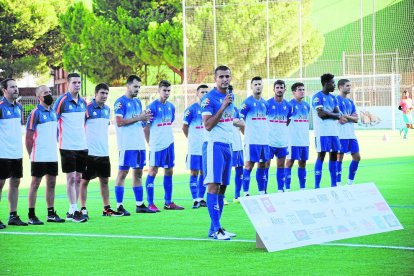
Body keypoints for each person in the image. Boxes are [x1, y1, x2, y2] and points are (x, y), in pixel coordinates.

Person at [201, 65, 236, 240]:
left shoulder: (231, 96)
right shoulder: (209, 99)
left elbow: (231, 120)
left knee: (222, 188)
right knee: (213, 186)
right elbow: (207, 125)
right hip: (214, 145)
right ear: (215, 78)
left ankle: (216, 228)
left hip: (227, 146)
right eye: (221, 76)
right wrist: (222, 107)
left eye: (227, 76)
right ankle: (215, 230)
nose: (225, 79)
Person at [79, 83, 123, 218]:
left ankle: (107, 209)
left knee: (104, 180)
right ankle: (83, 209)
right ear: (96, 93)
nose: (104, 96)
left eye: (106, 93)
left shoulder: (107, 110)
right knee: (84, 181)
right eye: (102, 93)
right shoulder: (86, 109)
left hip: (103, 152)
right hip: (89, 152)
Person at [113, 75, 154, 215]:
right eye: (135, 86)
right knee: (123, 173)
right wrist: (139, 118)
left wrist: (145, 119)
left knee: (138, 173)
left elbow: (139, 122)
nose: (137, 89)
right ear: (128, 86)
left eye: (139, 87)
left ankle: (140, 204)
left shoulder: (137, 102)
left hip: (139, 144)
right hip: (127, 144)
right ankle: (119, 206)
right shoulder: (120, 102)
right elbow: (119, 122)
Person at [25, 85, 65, 225]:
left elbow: (56, 133)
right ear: (39, 97)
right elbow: (29, 137)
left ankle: (51, 213)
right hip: (39, 155)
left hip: (51, 155)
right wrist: (31, 154)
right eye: (45, 93)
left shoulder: (54, 112)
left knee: (52, 183)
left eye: (49, 92)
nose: (48, 94)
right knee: (35, 183)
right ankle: (31, 215)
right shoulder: (35, 113)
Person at [144, 80, 184, 211]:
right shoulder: (152, 107)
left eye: (168, 91)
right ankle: (150, 203)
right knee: (153, 172)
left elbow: (169, 123)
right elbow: (146, 127)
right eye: (164, 90)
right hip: (156, 145)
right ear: (158, 90)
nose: (166, 93)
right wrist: (150, 143)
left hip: (169, 144)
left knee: (169, 171)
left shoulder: (171, 107)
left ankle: (168, 202)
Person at [53, 73, 88, 223]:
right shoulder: (61, 101)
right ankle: (74, 210)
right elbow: (54, 120)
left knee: (79, 178)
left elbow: (84, 122)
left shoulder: (83, 102)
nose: (77, 85)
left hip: (82, 145)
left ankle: (72, 210)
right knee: (71, 178)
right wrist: (57, 139)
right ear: (68, 84)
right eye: (74, 82)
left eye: (79, 82)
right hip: (67, 146)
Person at [0, 78, 27, 227]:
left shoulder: (19, 107)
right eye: (12, 87)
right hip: (2, 153)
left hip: (16, 153)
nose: (16, 89)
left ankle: (13, 216)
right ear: (4, 90)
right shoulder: (0, 107)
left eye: (17, 87)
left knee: (15, 182)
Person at [312, 73, 344, 189]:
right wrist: (332, 114)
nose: (334, 85)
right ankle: (317, 186)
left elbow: (339, 115)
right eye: (332, 83)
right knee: (321, 156)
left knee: (334, 156)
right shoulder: (317, 97)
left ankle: (333, 185)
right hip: (322, 133)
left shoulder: (333, 98)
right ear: (326, 83)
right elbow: (321, 114)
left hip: (334, 132)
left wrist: (328, 113)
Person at [240, 76, 269, 195]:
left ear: (262, 86)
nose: (258, 86)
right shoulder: (246, 103)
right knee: (249, 165)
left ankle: (261, 191)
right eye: (255, 84)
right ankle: (246, 192)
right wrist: (247, 134)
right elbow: (240, 121)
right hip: (252, 140)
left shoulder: (265, 103)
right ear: (251, 87)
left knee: (263, 164)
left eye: (259, 84)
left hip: (264, 141)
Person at [182, 84, 209, 208]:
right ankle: (195, 199)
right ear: (197, 94)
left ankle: (201, 198)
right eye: (202, 92)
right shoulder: (191, 110)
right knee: (194, 172)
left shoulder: (210, 109)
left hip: (206, 147)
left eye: (206, 92)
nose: (204, 94)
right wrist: (191, 139)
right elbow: (184, 127)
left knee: (204, 173)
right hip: (194, 147)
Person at [284, 82, 310, 191]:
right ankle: (288, 188)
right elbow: (285, 123)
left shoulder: (306, 106)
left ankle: (302, 188)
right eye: (299, 89)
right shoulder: (289, 105)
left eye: (303, 89)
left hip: (304, 139)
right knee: (290, 162)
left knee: (303, 162)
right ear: (294, 92)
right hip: (292, 139)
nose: (302, 91)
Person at [266, 80, 291, 192]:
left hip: (282, 141)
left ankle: (280, 189)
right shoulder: (267, 104)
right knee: (265, 165)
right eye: (277, 87)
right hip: (269, 141)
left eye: (281, 87)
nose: (279, 89)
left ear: (284, 89)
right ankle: (263, 190)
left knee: (281, 165)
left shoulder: (288, 106)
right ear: (274, 89)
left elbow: (288, 121)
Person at [336, 79, 361, 185]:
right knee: (339, 158)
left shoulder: (350, 102)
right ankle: (337, 184)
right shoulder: (335, 100)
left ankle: (350, 183)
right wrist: (350, 117)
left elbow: (356, 119)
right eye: (347, 86)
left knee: (357, 157)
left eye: (350, 85)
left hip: (351, 135)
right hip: (340, 135)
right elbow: (341, 121)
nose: (349, 87)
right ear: (341, 87)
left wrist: (346, 116)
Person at [231, 106, 245, 203]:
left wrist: (236, 121)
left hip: (237, 144)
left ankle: (237, 196)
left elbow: (242, 124)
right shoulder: (218, 107)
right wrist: (234, 121)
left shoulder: (235, 109)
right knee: (223, 171)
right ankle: (221, 197)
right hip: (225, 144)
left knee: (240, 170)